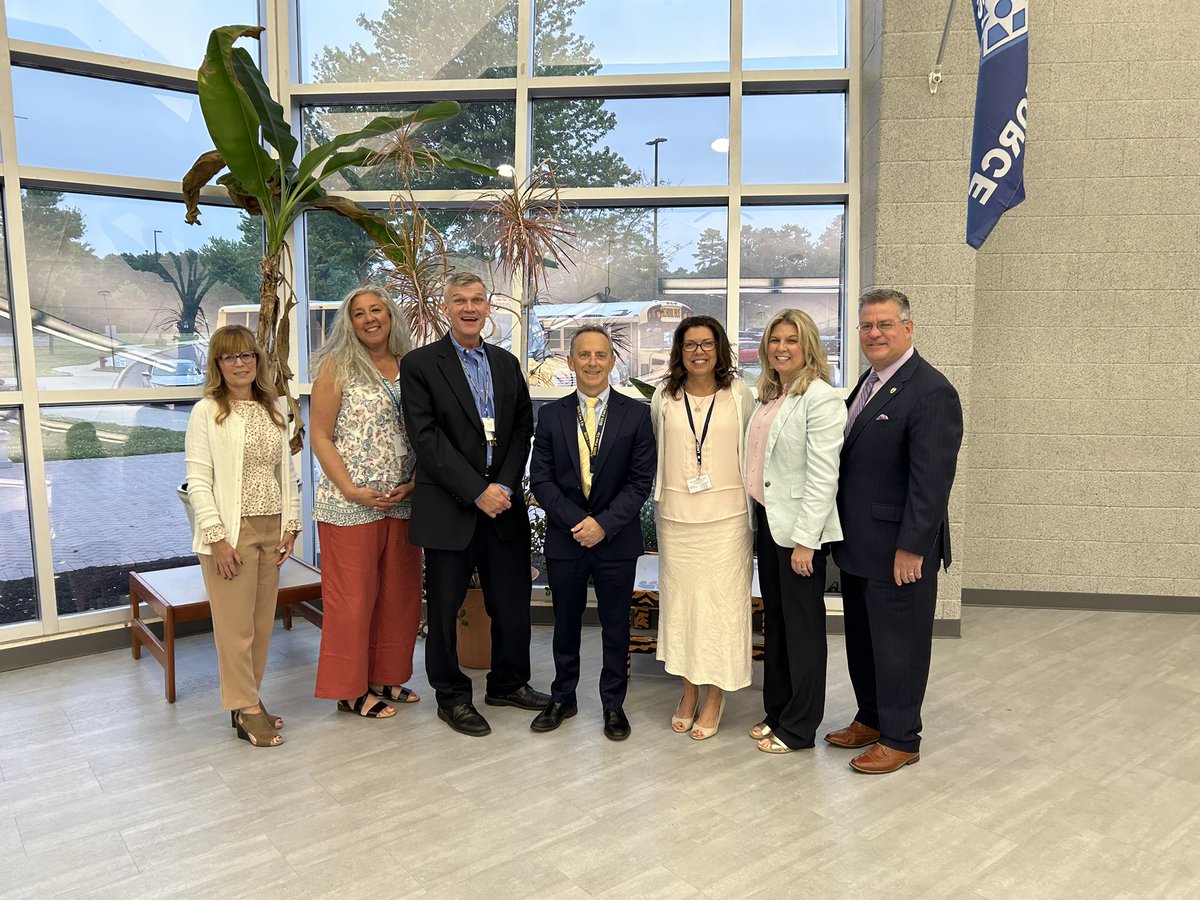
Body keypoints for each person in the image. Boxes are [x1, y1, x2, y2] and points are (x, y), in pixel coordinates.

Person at [401, 273, 548, 736]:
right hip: (451, 507)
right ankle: (452, 695)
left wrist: (502, 485)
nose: (469, 308)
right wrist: (476, 490)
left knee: (511, 602)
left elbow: (523, 425)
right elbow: (426, 438)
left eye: (477, 300)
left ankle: (508, 682)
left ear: (489, 308)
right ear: (445, 307)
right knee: (444, 610)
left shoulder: (506, 363)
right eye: (459, 300)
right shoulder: (421, 364)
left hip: (502, 505)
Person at [828, 288, 964, 774]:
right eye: (866, 325)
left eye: (885, 324)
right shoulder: (868, 382)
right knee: (864, 642)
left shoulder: (931, 391)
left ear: (908, 328)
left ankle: (902, 738)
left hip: (897, 552)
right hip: (859, 546)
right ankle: (871, 719)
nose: (874, 333)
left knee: (899, 647)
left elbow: (931, 482)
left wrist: (913, 547)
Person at [529, 325, 655, 741]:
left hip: (615, 539)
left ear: (612, 362)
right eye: (584, 355)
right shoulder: (550, 415)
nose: (592, 363)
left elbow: (640, 481)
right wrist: (575, 523)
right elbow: (541, 481)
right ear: (571, 361)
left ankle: (613, 704)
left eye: (601, 355)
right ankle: (563, 697)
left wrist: (603, 524)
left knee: (616, 625)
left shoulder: (636, 414)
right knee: (564, 623)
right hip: (567, 538)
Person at [185, 325, 300, 748]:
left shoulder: (273, 409)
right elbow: (198, 480)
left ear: (257, 360)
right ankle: (246, 708)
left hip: (271, 527)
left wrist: (291, 525)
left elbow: (285, 474)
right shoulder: (207, 412)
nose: (240, 364)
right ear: (217, 364)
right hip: (231, 533)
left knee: (259, 625)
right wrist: (216, 538)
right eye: (230, 357)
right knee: (235, 629)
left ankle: (247, 700)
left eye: (247, 355)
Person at [310, 286, 423, 719]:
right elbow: (320, 436)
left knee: (400, 595)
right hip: (351, 503)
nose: (369, 318)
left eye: (376, 310)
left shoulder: (411, 367)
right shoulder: (335, 368)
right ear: (349, 323)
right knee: (352, 600)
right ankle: (349, 689)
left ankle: (385, 677)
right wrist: (352, 489)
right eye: (358, 313)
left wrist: (413, 483)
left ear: (391, 315)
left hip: (402, 499)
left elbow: (425, 431)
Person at [744, 309, 845, 754]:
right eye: (774, 340)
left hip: (800, 536)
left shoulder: (820, 398)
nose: (781, 348)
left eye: (792, 340)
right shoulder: (772, 396)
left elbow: (824, 476)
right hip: (769, 525)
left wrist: (808, 540)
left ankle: (800, 727)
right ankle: (777, 712)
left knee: (803, 631)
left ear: (809, 347)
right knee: (779, 625)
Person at [650, 315, 755, 740]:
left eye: (707, 344)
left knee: (722, 608)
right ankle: (688, 691)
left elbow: (750, 449)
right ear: (680, 351)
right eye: (690, 344)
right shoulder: (663, 396)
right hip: (676, 519)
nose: (698, 352)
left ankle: (715, 695)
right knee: (682, 608)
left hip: (728, 520)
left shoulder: (739, 394)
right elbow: (659, 449)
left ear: (719, 349)